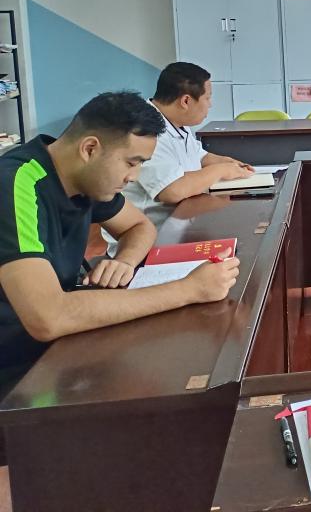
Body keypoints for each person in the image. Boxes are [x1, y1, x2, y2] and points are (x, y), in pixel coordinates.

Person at [0, 92, 240, 401]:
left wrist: (125, 261)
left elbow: (139, 226)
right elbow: (47, 318)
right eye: (131, 162)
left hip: (51, 346)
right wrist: (188, 290)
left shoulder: (82, 176)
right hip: (16, 368)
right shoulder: (16, 184)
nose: (133, 177)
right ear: (90, 149)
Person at [106, 62, 254, 246]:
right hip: (151, 242)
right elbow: (172, 190)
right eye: (208, 98)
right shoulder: (146, 130)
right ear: (186, 101)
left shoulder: (174, 122)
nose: (210, 104)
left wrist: (227, 162)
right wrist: (221, 170)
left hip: (183, 224)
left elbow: (199, 156)